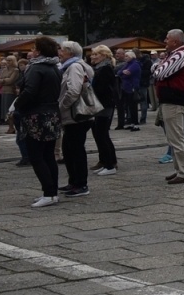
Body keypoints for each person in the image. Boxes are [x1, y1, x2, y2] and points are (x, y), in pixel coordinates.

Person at [14, 37, 64, 207]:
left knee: (36, 155)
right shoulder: (55, 67)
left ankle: (48, 193)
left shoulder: (36, 68)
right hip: (52, 113)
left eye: (34, 48)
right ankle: (52, 192)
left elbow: (29, 91)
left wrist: (17, 105)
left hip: (36, 114)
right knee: (48, 154)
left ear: (40, 51)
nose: (32, 51)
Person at [153, 30, 184, 182]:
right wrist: (158, 68)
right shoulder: (173, 55)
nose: (165, 40)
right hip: (169, 100)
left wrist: (158, 68)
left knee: (177, 138)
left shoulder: (180, 54)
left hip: (174, 100)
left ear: (175, 42)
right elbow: (157, 69)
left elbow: (159, 73)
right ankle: (179, 170)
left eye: (167, 38)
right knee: (173, 138)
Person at [57, 41, 96, 196]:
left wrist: (61, 107)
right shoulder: (72, 66)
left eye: (62, 50)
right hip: (74, 116)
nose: (59, 52)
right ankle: (74, 181)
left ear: (70, 53)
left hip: (76, 115)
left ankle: (81, 184)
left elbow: (73, 91)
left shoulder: (74, 67)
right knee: (69, 149)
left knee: (76, 150)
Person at [89, 45, 119, 176]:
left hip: (104, 105)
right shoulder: (101, 68)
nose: (93, 57)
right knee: (100, 133)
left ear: (104, 56)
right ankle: (107, 161)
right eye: (93, 54)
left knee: (102, 134)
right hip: (102, 105)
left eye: (96, 54)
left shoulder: (105, 69)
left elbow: (103, 89)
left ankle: (110, 164)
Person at [117, 49, 143, 130]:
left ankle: (135, 124)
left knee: (133, 106)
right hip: (126, 88)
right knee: (129, 106)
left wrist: (123, 73)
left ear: (132, 56)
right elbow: (119, 72)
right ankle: (132, 123)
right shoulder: (128, 64)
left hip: (132, 88)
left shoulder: (135, 64)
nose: (125, 57)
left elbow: (127, 73)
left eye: (127, 56)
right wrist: (123, 72)